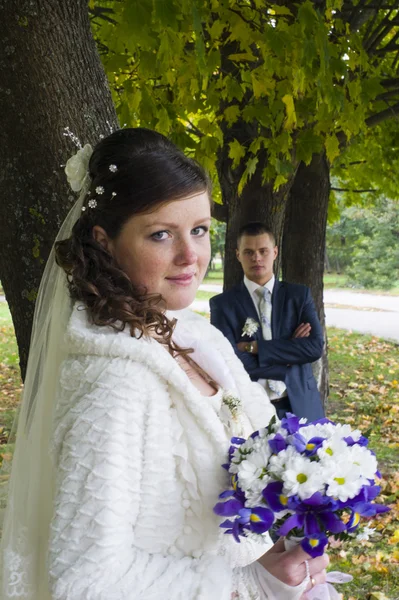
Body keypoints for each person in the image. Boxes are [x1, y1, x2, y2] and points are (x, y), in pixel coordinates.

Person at [0, 129, 328, 599]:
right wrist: (247, 585)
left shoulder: (196, 335)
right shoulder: (113, 382)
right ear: (105, 241)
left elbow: (259, 447)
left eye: (198, 229)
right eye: (160, 234)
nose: (190, 256)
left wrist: (304, 513)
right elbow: (84, 582)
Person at [210, 222, 325, 421]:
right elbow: (232, 361)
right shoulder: (223, 305)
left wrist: (254, 348)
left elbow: (314, 348)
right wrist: (291, 354)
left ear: (275, 252)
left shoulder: (298, 296)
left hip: (301, 404)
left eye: (263, 251)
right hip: (250, 411)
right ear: (238, 255)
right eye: (249, 252)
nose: (257, 258)